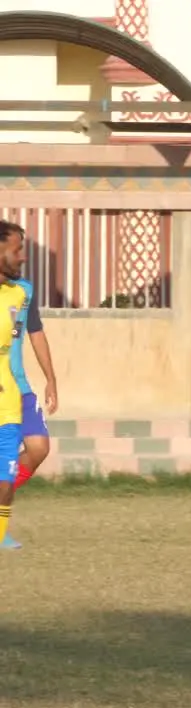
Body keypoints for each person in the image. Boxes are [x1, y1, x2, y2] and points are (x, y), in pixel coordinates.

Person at [0, 222, 34, 551]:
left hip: (9, 400)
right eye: (16, 250)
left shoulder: (19, 293)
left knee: (6, 474)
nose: (21, 258)